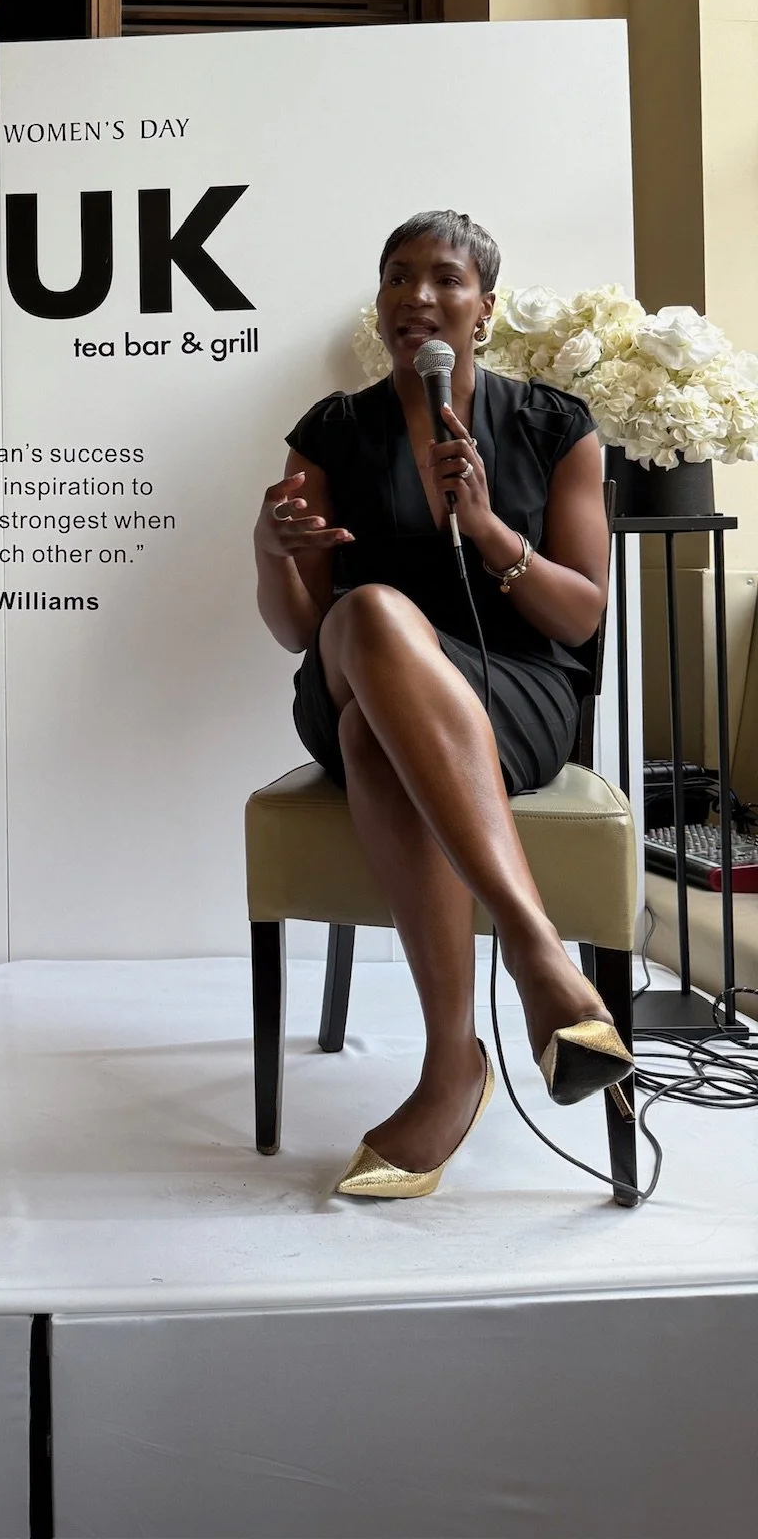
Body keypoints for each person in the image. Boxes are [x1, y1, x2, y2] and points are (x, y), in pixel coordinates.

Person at [253, 210, 633, 1199]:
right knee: (373, 614)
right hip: (349, 665)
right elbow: (302, 627)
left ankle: (450, 1064)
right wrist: (272, 553)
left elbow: (582, 615)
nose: (418, 296)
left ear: (484, 308)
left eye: (445, 279)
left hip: (513, 696)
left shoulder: (557, 427)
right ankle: (536, 947)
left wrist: (488, 528)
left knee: (373, 743)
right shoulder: (331, 429)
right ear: (379, 303)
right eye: (398, 278)